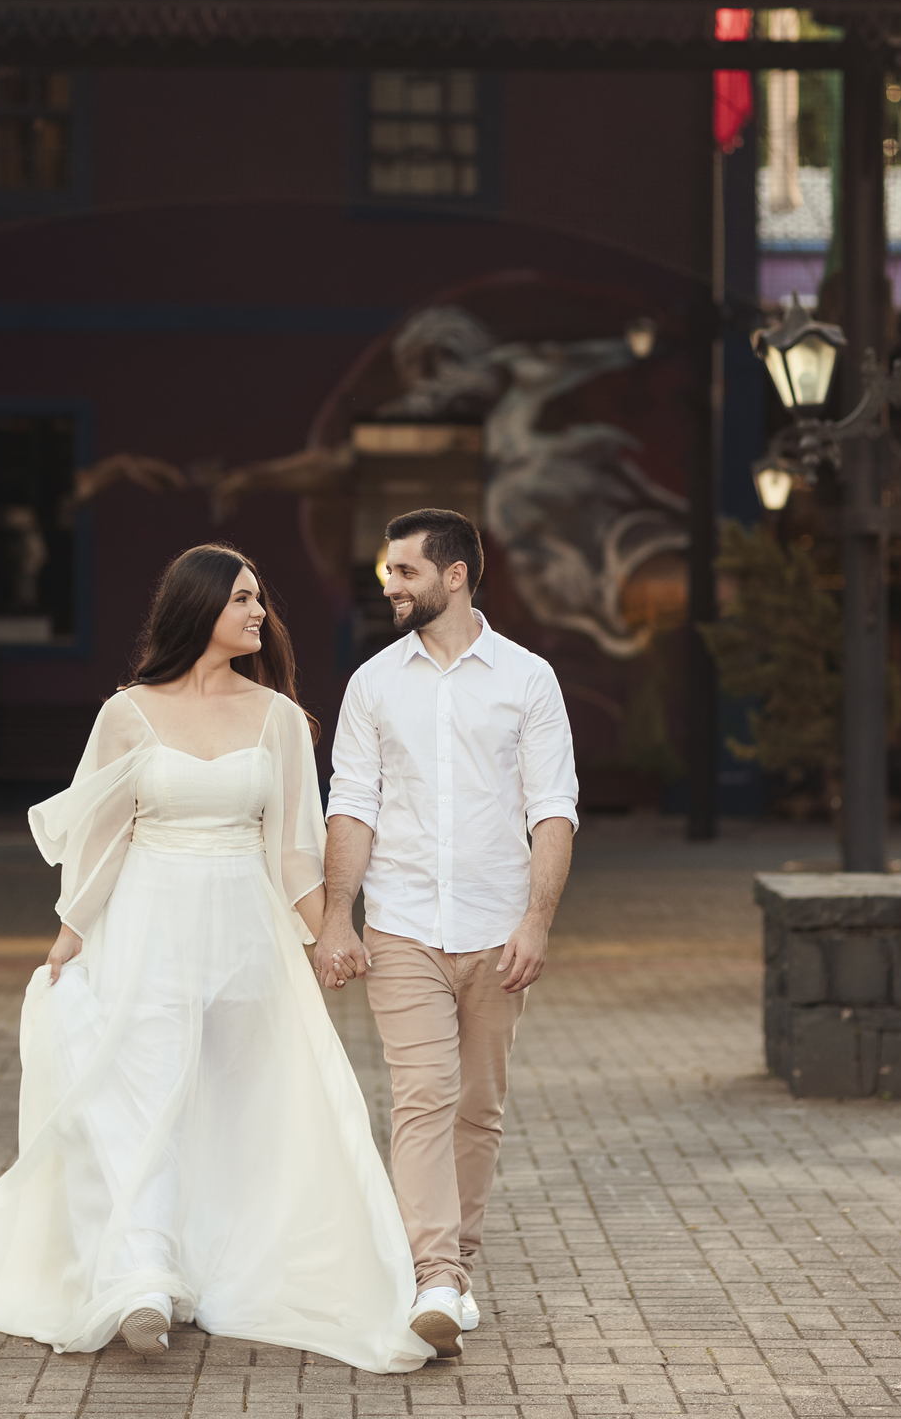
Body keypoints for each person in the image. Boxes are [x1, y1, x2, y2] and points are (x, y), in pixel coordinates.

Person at [0, 544, 431, 1374]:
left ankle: (220, 1263)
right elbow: (101, 841)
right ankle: (143, 1278)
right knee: (147, 1101)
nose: (259, 613)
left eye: (259, 599)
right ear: (197, 608)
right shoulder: (128, 714)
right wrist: (71, 934)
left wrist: (332, 933)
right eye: (242, 598)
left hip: (245, 935)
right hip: (149, 928)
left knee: (240, 1104)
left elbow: (293, 852)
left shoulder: (278, 719)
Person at [314, 509, 578, 1360]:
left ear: (455, 575)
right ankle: (433, 1275)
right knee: (423, 1095)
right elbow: (351, 805)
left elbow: (553, 808)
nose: (390, 585)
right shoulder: (372, 685)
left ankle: (455, 1268)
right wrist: (337, 915)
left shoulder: (529, 679)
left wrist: (537, 921)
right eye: (388, 572)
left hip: (498, 929)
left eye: (405, 572)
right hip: (402, 925)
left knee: (478, 1107)